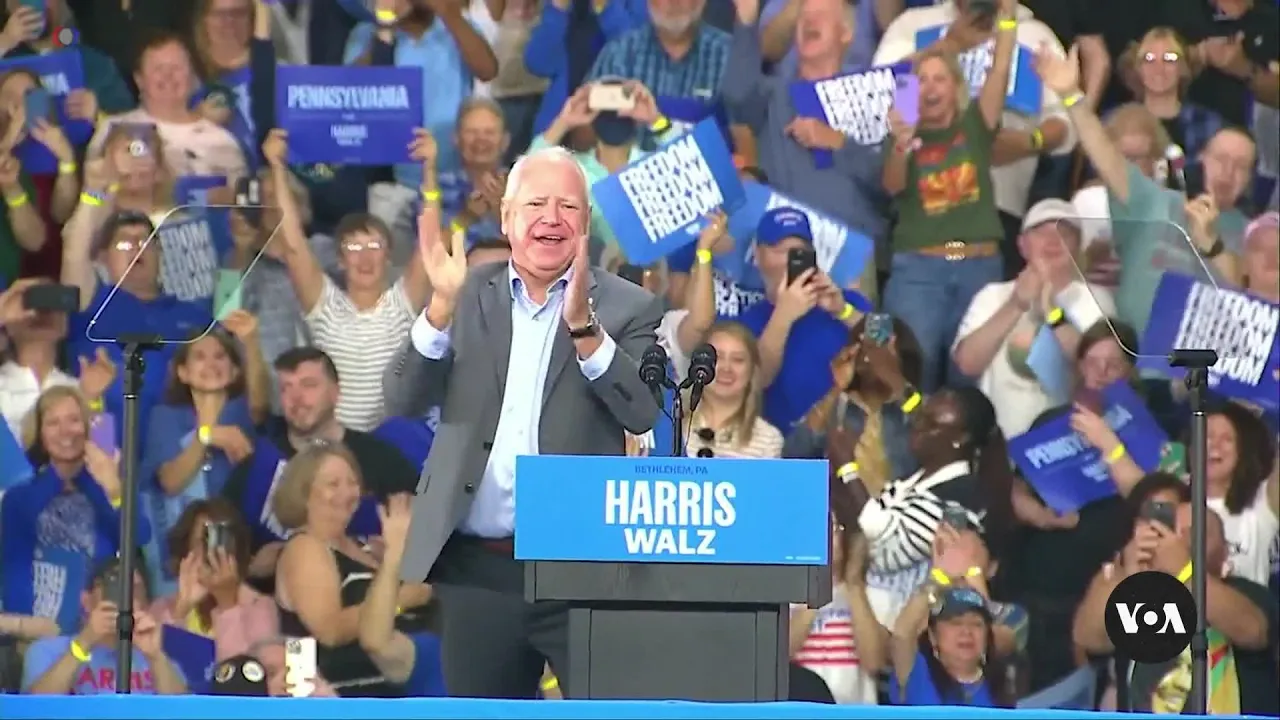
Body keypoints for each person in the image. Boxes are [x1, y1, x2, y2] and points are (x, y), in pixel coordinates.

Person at [382, 145, 662, 697]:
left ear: (586, 224)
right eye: (535, 204)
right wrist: (438, 309)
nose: (551, 218)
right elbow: (400, 399)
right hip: (478, 571)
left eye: (567, 207)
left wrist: (584, 330)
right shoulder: (463, 293)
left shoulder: (628, 306)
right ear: (507, 218)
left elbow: (642, 410)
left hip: (582, 569)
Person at [1073, 502, 1276, 715]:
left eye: (1195, 533)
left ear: (1225, 552)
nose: (1180, 542)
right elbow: (1090, 638)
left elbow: (1252, 630)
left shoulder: (1246, 592)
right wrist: (1127, 573)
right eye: (1171, 531)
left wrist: (1185, 570)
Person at [22, 557, 188, 695]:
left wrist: (155, 657)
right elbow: (35, 710)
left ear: (146, 605)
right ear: (86, 601)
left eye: (135, 590)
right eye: (113, 586)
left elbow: (184, 713)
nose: (124, 597)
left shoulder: (160, 661)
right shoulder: (47, 651)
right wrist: (83, 643)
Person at [684, 321, 784, 459]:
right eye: (717, 357)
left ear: (752, 371)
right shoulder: (671, 423)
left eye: (738, 360)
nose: (726, 368)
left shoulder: (769, 440)